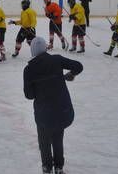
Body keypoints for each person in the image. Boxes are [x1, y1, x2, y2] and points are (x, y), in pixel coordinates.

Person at [24, 37, 83, 174]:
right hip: (62, 111)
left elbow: (29, 95)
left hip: (44, 115)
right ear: (45, 48)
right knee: (57, 139)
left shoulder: (29, 70)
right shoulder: (56, 60)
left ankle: (47, 167)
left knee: (44, 142)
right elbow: (78, 66)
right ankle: (59, 167)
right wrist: (70, 75)